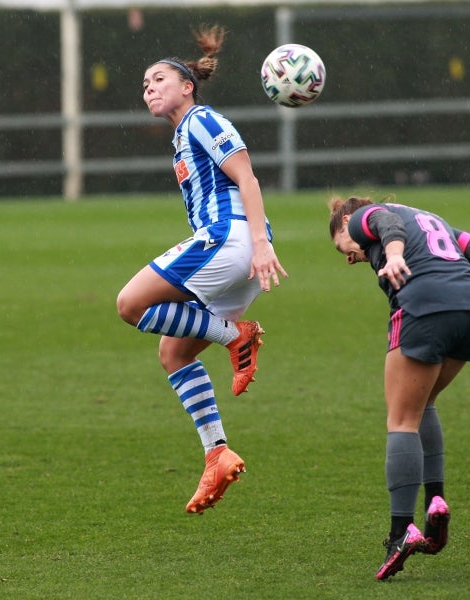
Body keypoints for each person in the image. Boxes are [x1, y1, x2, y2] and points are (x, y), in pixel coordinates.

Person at [116, 25, 287, 515]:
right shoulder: (182, 136)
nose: (149, 88)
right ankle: (217, 451)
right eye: (145, 84)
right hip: (237, 252)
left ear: (187, 86)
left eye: (158, 79)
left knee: (129, 304)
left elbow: (247, 177)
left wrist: (258, 243)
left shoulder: (202, 120)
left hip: (231, 241)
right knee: (173, 354)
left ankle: (233, 335)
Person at [328, 195, 470, 581]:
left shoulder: (362, 217)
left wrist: (392, 255)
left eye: (343, 246)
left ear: (344, 222)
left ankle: (400, 532)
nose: (348, 256)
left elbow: (385, 224)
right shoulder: (433, 220)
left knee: (401, 419)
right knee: (424, 404)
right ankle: (436, 500)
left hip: (426, 306)